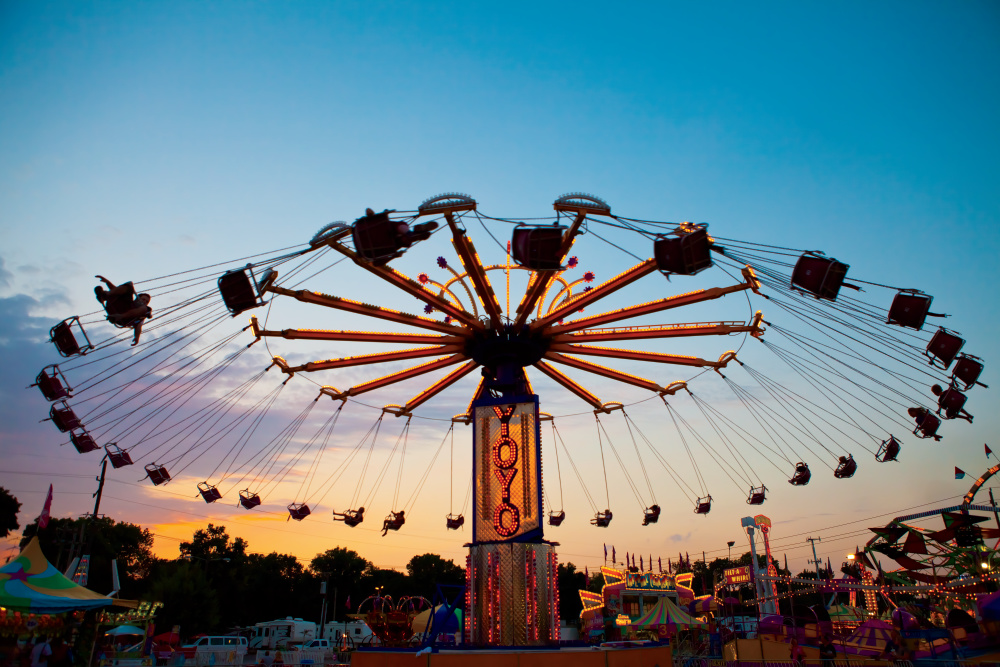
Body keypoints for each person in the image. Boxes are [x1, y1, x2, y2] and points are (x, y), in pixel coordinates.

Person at [94, 275, 153, 346]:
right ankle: (104, 296)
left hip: (124, 319)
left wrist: (137, 337)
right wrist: (107, 282)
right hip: (117, 306)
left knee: (146, 309)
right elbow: (116, 290)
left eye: (146, 302)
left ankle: (119, 315)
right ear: (137, 298)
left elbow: (139, 327)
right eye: (143, 299)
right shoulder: (129, 301)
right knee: (129, 287)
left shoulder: (142, 313)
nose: (144, 302)